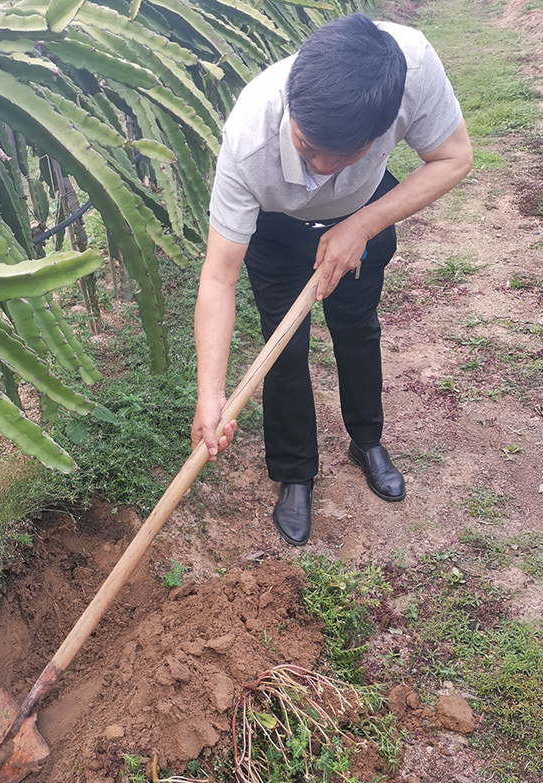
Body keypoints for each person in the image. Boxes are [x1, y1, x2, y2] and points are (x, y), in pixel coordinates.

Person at [191, 13, 473, 546]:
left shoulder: (410, 66)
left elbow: (455, 157)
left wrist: (362, 225)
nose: (317, 169)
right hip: (276, 232)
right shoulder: (250, 136)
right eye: (304, 147)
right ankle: (295, 473)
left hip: (365, 213)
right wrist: (211, 396)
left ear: (382, 130)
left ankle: (366, 440)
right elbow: (219, 275)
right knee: (284, 351)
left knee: (358, 329)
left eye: (338, 157)